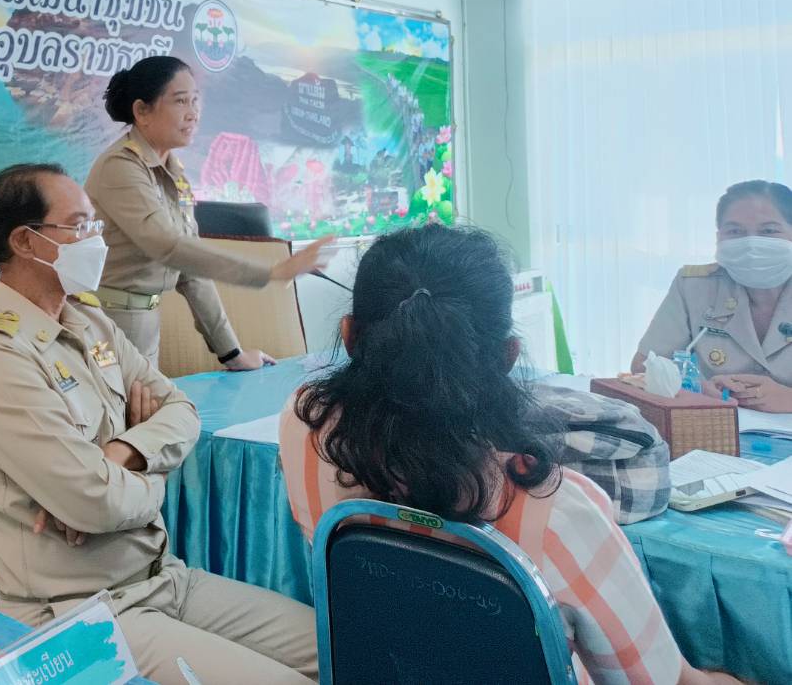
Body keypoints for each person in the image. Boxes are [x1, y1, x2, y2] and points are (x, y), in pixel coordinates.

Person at [278, 225, 742, 685]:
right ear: (508, 355)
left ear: (350, 335)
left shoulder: (304, 426)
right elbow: (665, 682)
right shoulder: (553, 511)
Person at [0, 164, 319, 685]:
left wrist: (121, 453)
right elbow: (94, 503)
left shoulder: (88, 320)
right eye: (78, 226)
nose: (94, 239)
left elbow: (182, 411)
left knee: (339, 647)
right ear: (25, 241)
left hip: (164, 578)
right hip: (79, 613)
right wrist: (146, 471)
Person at [85, 55, 333, 369]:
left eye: (195, 101)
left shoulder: (173, 173)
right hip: (107, 325)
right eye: (180, 102)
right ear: (142, 111)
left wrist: (232, 353)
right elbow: (169, 248)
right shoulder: (119, 167)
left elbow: (192, 273)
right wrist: (272, 271)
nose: (193, 114)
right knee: (119, 415)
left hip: (143, 322)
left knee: (144, 412)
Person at [634, 180, 792, 411]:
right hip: (715, 428)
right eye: (735, 231)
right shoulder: (694, 286)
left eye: (768, 231)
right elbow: (644, 366)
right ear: (719, 237)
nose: (750, 244)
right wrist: (694, 387)